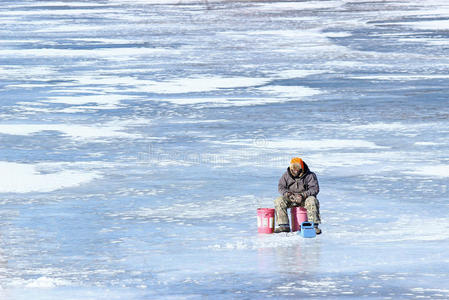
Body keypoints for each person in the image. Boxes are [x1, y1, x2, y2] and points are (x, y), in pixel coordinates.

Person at [274, 157, 322, 234]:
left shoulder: (310, 175)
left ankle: (314, 226)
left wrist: (303, 195)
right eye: (293, 169)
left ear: (301, 169)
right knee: (279, 200)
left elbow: (314, 189)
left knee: (312, 200)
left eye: (297, 169)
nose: (295, 171)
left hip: (305, 199)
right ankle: (283, 225)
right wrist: (288, 194)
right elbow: (281, 187)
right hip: (291, 198)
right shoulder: (286, 175)